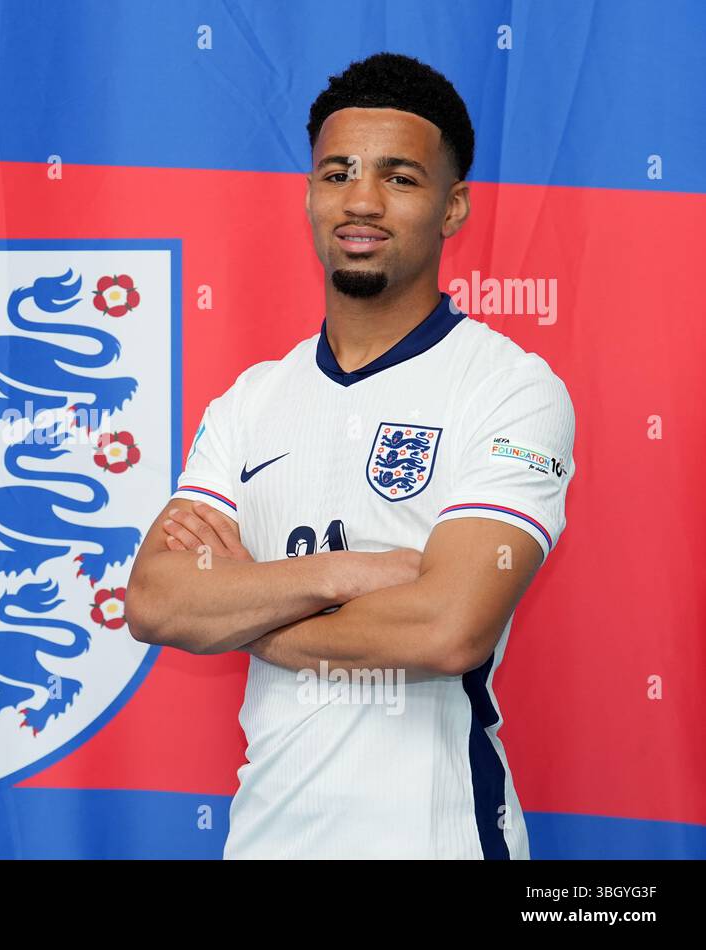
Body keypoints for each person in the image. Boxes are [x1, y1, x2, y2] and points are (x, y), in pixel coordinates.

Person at [124, 52, 577, 859]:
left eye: (401, 178)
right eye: (338, 173)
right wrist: (350, 572)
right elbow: (158, 602)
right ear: (308, 195)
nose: (361, 201)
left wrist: (251, 618)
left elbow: (448, 627)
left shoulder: (510, 388)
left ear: (453, 206)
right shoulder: (250, 401)